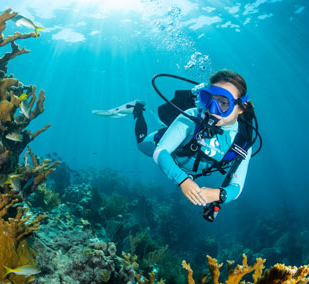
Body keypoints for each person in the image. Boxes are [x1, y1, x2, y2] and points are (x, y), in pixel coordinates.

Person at [93, 70, 257, 220]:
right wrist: (183, 180)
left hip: (184, 165)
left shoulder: (242, 142)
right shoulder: (192, 115)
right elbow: (160, 152)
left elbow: (237, 186)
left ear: (241, 107)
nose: (212, 110)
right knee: (141, 144)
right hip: (165, 145)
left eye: (223, 103)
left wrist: (219, 195)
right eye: (209, 100)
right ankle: (137, 109)